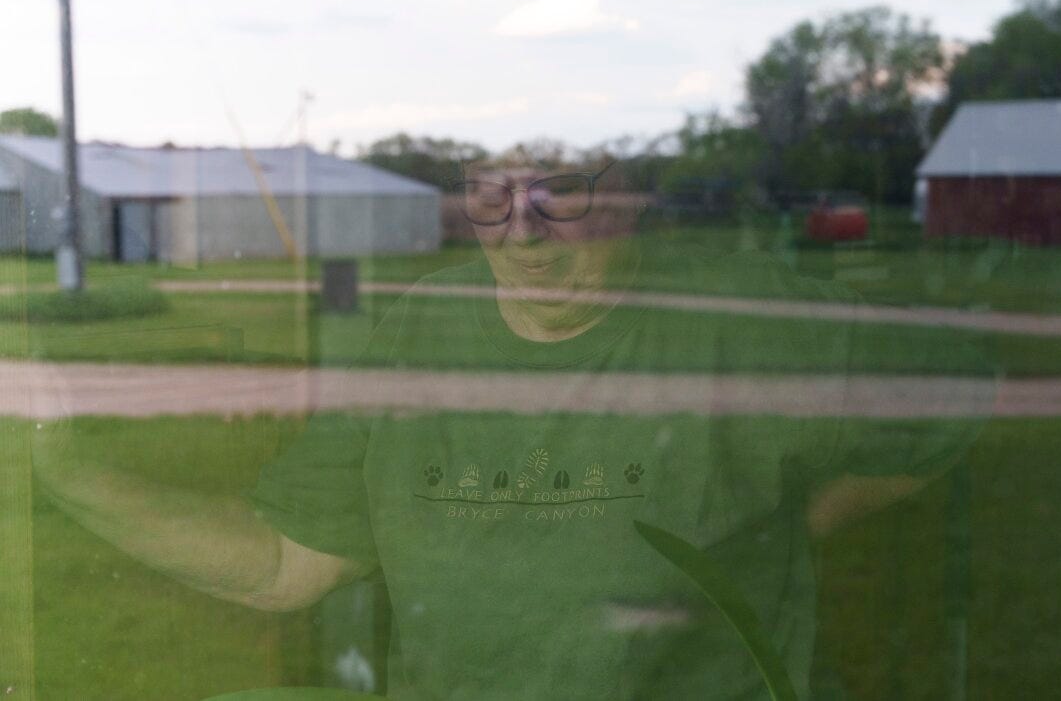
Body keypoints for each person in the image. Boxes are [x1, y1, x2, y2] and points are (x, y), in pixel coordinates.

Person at [34, 157, 988, 700]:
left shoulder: (741, 316)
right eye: (494, 195)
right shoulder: (424, 322)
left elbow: (962, 391)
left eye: (559, 192)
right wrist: (65, 469)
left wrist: (795, 517)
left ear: (629, 196)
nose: (522, 232)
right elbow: (287, 564)